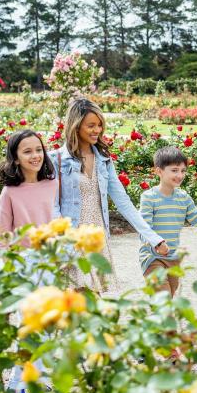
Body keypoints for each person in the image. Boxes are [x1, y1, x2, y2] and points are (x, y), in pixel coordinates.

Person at [51, 98, 168, 291]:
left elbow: (123, 202)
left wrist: (153, 237)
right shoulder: (56, 160)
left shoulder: (103, 160)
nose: (97, 130)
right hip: (71, 240)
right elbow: (53, 206)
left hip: (97, 239)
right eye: (91, 125)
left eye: (99, 125)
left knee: (92, 303)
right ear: (76, 126)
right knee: (76, 303)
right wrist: (65, 240)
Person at [0, 129, 57, 393]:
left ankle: (38, 378)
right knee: (27, 324)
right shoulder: (10, 192)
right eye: (27, 151)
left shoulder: (53, 184)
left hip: (48, 261)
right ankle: (18, 384)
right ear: (16, 158)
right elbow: (1, 235)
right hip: (21, 263)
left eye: (38, 150)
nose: (35, 156)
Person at [139, 146, 197, 296]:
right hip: (152, 258)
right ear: (159, 171)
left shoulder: (183, 198)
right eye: (175, 170)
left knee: (168, 301)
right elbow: (144, 229)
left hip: (173, 259)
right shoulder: (149, 197)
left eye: (183, 171)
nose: (180, 175)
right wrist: (157, 244)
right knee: (163, 301)